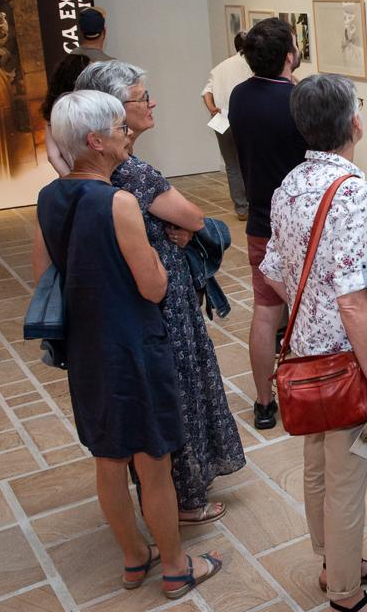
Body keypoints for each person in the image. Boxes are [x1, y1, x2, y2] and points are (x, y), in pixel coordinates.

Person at [32, 90, 222, 599]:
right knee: (153, 463)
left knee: (108, 459)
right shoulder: (117, 201)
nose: (126, 135)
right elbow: (153, 286)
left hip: (87, 349)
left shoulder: (49, 198)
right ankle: (179, 567)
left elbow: (42, 272)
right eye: (119, 129)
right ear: (95, 141)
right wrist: (163, 255)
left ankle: (135, 558)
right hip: (135, 345)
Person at [259, 74, 367, 612]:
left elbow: (273, 271)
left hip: (303, 354)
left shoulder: (290, 184)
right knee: (348, 478)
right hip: (345, 360)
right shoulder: (349, 189)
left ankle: (333, 565)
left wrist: (309, 306)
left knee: (319, 467)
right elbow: (352, 298)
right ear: (354, 123)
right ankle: (347, 599)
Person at [76, 60, 246, 524]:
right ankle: (184, 499)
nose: (151, 104)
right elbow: (190, 216)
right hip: (159, 299)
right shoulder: (134, 174)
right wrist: (191, 227)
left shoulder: (89, 169)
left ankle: (172, 492)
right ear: (114, 111)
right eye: (141, 98)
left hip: (133, 298)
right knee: (177, 392)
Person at [228, 18, 306, 429]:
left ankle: (263, 402)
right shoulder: (296, 100)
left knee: (265, 311)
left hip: (260, 220)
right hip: (300, 222)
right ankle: (311, 390)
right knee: (308, 309)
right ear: (289, 55)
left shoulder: (239, 96)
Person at [202, 32, 252, 221]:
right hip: (243, 118)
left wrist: (212, 108)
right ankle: (253, 203)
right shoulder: (250, 65)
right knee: (248, 162)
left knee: (232, 164)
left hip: (221, 118)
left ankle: (241, 208)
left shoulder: (220, 67)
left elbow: (206, 92)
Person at [42, 52, 92, 176]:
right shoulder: (91, 106)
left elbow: (53, 156)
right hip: (100, 177)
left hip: (72, 178)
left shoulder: (52, 110)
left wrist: (72, 180)